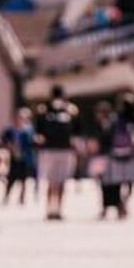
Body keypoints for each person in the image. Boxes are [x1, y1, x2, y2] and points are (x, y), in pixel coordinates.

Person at [36, 85, 78, 220]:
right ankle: (49, 209)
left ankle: (58, 209)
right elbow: (39, 130)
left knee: (62, 181)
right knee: (51, 181)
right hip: (49, 150)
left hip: (65, 150)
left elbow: (77, 130)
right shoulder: (45, 110)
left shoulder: (70, 111)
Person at [100, 93, 134, 219]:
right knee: (130, 183)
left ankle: (118, 204)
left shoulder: (115, 119)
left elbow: (107, 136)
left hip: (115, 154)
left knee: (116, 183)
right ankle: (124, 204)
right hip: (131, 155)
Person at [0, 108, 37, 205]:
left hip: (25, 157)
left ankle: (22, 198)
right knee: (11, 178)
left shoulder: (29, 130)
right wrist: (10, 146)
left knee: (24, 178)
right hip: (13, 156)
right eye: (20, 117)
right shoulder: (10, 129)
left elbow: (32, 144)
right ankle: (6, 196)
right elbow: (3, 140)